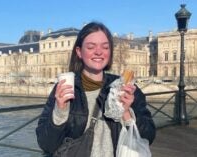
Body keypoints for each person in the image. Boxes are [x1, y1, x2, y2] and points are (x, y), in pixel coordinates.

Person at [36, 21, 156, 157]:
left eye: (105, 47)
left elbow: (148, 137)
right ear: (79, 52)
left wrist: (127, 113)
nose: (99, 52)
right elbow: (46, 144)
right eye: (91, 47)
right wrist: (60, 112)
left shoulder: (127, 89)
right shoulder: (64, 89)